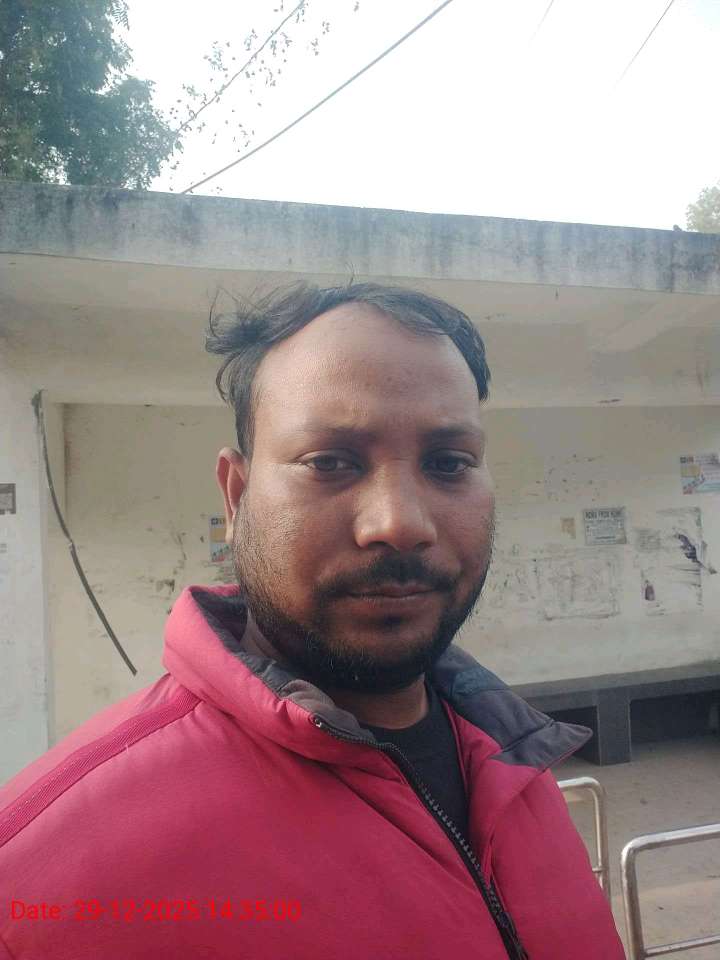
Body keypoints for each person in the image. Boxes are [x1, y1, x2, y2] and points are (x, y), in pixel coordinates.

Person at [0, 283, 625, 959]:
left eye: (449, 463)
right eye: (329, 462)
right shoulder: (36, 882)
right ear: (236, 496)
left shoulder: (513, 763)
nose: (400, 524)